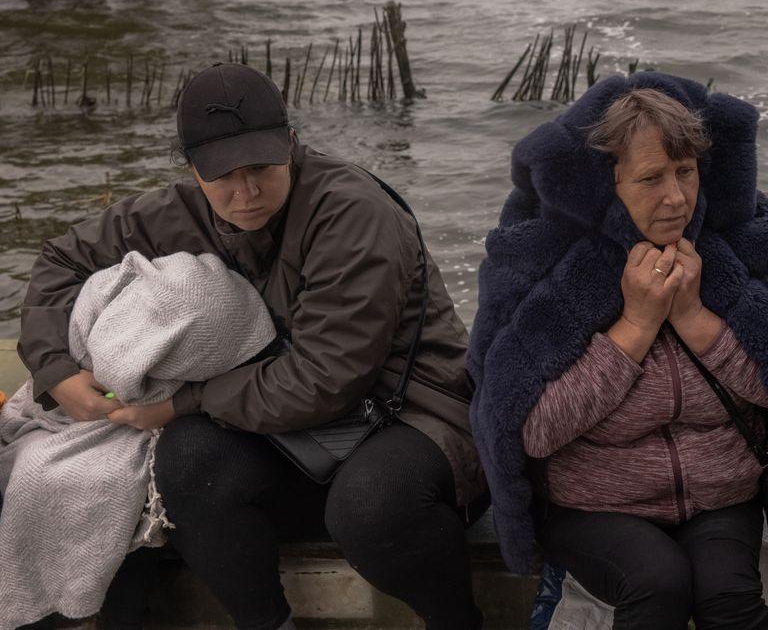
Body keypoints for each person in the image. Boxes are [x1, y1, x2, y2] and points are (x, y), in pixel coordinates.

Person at [17, 63, 487, 630]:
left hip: (412, 413)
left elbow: (324, 380)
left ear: (291, 142)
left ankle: (461, 621)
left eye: (262, 167)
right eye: (221, 175)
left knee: (368, 508)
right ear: (193, 169)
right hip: (295, 427)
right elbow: (61, 260)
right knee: (187, 462)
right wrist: (56, 371)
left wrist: (180, 403)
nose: (246, 193)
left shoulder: (352, 212)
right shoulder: (183, 211)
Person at [468, 73, 768, 630]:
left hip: (721, 491)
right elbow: (531, 429)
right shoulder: (545, 261)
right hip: (593, 502)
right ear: (606, 186)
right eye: (650, 178)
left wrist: (696, 319)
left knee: (729, 595)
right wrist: (636, 325)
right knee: (656, 582)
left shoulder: (747, 242)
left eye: (686, 172)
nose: (675, 197)